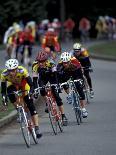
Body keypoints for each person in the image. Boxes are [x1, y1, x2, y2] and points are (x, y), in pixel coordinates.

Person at [0, 59, 42, 139]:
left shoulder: (22, 70)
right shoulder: (4, 74)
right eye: (10, 70)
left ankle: (37, 128)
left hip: (23, 84)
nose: (11, 72)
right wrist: (4, 98)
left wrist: (31, 92)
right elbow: (3, 91)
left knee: (30, 105)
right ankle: (19, 110)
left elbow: (31, 84)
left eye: (13, 70)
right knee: (9, 94)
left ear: (16, 68)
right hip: (12, 85)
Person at [32, 50, 68, 125]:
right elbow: (35, 80)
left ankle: (63, 115)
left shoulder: (51, 63)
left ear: (46, 60)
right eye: (39, 61)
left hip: (52, 76)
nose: (41, 63)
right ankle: (47, 103)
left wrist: (57, 85)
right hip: (42, 78)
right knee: (42, 90)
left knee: (57, 96)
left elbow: (55, 75)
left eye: (43, 61)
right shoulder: (35, 65)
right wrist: (35, 90)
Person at [57, 52, 88, 118]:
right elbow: (58, 76)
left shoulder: (75, 61)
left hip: (75, 72)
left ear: (70, 61)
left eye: (67, 62)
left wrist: (81, 81)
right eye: (64, 63)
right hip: (66, 73)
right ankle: (69, 95)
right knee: (63, 82)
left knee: (79, 87)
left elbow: (80, 74)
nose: (65, 64)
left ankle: (83, 109)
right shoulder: (60, 64)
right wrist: (60, 84)